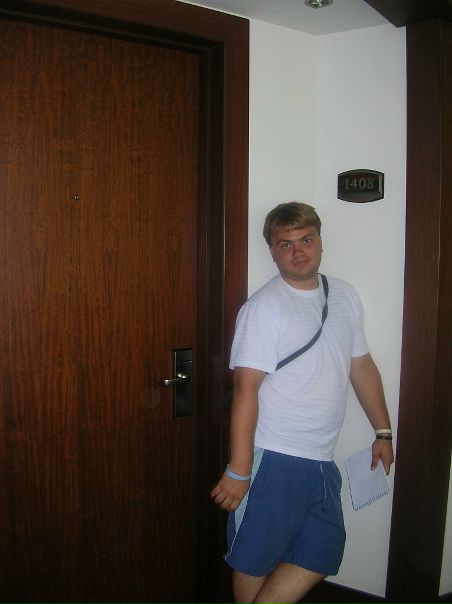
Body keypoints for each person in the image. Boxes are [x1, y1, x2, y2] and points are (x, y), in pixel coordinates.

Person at [210, 201, 394, 604]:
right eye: (285, 244)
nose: (298, 251)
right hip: (273, 455)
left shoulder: (344, 296)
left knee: (321, 553)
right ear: (272, 252)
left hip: (321, 458)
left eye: (306, 240)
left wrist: (383, 431)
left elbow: (361, 366)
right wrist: (239, 469)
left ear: (320, 241)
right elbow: (245, 388)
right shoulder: (263, 308)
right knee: (254, 561)